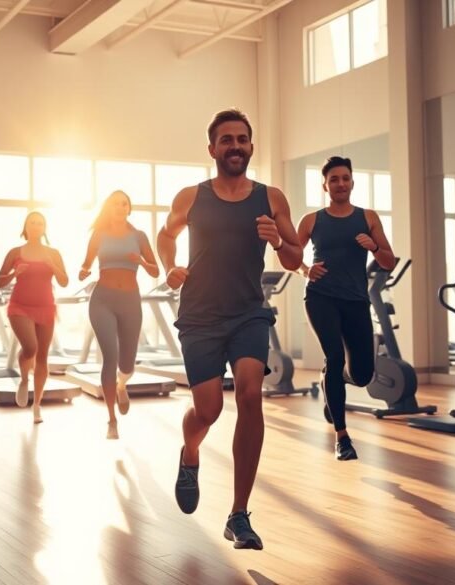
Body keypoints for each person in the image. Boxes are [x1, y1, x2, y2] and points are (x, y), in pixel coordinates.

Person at [157, 109, 302, 550]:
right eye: (226, 140)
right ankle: (190, 453)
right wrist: (170, 266)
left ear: (251, 147)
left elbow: (295, 259)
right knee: (207, 411)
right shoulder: (191, 197)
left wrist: (277, 240)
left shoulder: (271, 198)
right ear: (212, 149)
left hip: (247, 312)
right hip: (200, 315)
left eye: (242, 139)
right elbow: (166, 236)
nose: (235, 146)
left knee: (249, 393)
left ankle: (239, 514)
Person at [295, 156, 395, 461]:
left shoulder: (368, 218)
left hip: (356, 301)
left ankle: (331, 381)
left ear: (352, 182)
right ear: (325, 185)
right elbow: (289, 255)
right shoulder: (311, 220)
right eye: (334, 179)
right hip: (320, 297)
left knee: (363, 374)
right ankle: (342, 437)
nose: (341, 184)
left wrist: (374, 247)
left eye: (345, 178)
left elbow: (389, 261)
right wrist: (305, 270)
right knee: (335, 356)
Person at [78, 191, 159, 439]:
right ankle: (111, 420)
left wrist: (142, 262)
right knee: (109, 357)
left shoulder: (139, 236)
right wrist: (83, 271)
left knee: (127, 363)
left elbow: (156, 270)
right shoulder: (99, 235)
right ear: (108, 208)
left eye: (124, 203)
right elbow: (86, 264)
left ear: (129, 208)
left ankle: (122, 384)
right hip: (102, 300)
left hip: (130, 301)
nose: (120, 207)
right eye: (115, 204)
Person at [0, 211, 68, 423]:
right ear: (25, 227)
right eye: (32, 222)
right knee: (30, 348)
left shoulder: (53, 253)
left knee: (43, 356)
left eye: (40, 223)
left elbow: (64, 281)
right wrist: (14, 274)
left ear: (45, 228)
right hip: (20, 306)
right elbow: (0, 282)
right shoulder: (15, 252)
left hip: (46, 307)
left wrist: (52, 265)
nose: (36, 226)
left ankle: (36, 404)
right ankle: (24, 378)